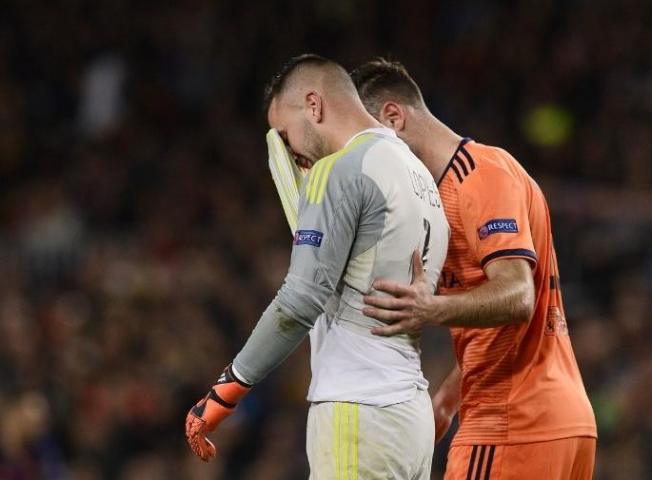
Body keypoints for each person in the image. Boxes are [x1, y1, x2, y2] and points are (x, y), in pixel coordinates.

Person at [184, 54, 450, 480]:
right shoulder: (418, 174)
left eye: (285, 135)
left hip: (358, 409)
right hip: (409, 415)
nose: (291, 152)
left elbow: (300, 300)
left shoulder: (339, 170)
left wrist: (226, 391)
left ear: (314, 106)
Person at [351, 59, 597, 480]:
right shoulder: (443, 194)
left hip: (511, 423)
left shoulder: (479, 176)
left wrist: (428, 310)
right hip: (546, 419)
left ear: (393, 118)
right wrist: (446, 403)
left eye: (365, 146)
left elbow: (518, 295)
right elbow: (496, 330)